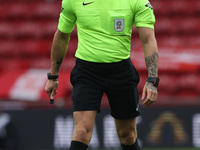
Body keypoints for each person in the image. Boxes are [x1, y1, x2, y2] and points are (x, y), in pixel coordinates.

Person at [45, 0, 159, 149]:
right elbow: (61, 36)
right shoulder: (73, 1)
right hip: (87, 73)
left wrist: (152, 80)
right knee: (81, 132)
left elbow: (148, 40)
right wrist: (53, 76)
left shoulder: (136, 1)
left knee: (128, 135)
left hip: (121, 72)